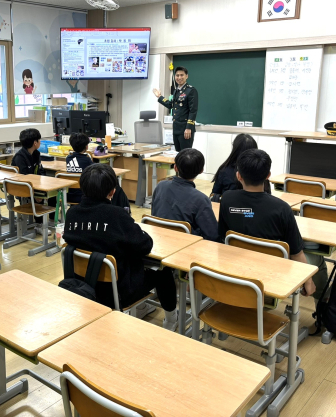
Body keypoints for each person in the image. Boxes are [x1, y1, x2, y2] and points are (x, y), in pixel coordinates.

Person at [63, 164, 178, 330]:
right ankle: (171, 320)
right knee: (163, 269)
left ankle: (142, 307)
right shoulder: (116, 215)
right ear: (112, 192)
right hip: (118, 292)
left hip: (82, 285)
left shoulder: (72, 213)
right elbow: (145, 245)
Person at [217, 149, 324, 303]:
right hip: (273, 274)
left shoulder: (227, 199)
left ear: (238, 175)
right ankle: (323, 306)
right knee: (318, 260)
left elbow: (222, 237)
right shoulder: (282, 208)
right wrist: (308, 280)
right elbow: (296, 253)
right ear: (268, 176)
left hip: (238, 266)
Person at [151, 149, 219, 241]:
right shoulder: (201, 199)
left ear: (175, 168)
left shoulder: (160, 186)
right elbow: (212, 235)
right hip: (186, 245)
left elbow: (154, 214)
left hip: (159, 240)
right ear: (201, 170)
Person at [65, 132, 131, 210]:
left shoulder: (68, 159)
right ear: (86, 147)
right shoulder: (87, 160)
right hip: (85, 196)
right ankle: (120, 209)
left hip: (68, 195)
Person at [11, 128, 54, 230]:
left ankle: (52, 221)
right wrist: (34, 194)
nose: (40, 142)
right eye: (39, 140)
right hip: (23, 188)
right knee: (40, 198)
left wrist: (46, 183)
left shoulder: (36, 154)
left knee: (53, 192)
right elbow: (24, 179)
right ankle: (39, 224)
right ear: (35, 143)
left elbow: (40, 170)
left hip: (35, 184)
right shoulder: (19, 157)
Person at [211, 133, 271, 200]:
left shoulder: (224, 170)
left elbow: (213, 196)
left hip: (229, 207)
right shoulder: (260, 168)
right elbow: (268, 196)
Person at [153, 66, 198, 151]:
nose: (179, 77)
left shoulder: (191, 90)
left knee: (185, 155)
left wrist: (188, 128)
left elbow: (193, 111)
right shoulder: (176, 90)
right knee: (177, 154)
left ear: (186, 76)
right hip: (176, 128)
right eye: (177, 75)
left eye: (182, 75)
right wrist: (159, 97)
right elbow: (171, 105)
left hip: (185, 129)